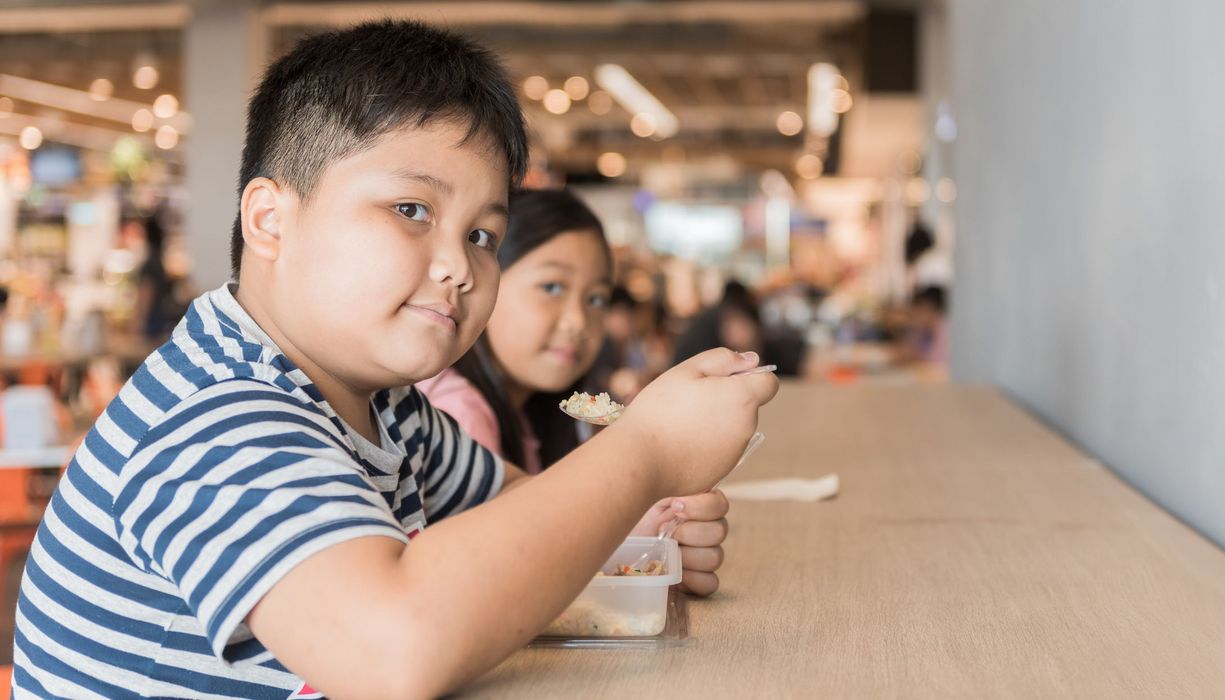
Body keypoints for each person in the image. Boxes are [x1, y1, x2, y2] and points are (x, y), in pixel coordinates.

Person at [11, 20, 776, 699]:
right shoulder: (213, 415)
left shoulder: (384, 406)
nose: (460, 267)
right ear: (270, 219)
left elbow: (514, 515)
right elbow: (392, 650)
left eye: (481, 234)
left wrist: (635, 526)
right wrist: (643, 453)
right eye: (411, 210)